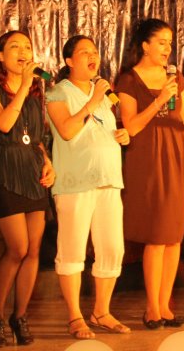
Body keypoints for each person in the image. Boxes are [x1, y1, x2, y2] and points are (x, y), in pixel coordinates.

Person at [46, 35, 131, 339]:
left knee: (112, 247)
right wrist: (93, 100)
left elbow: (103, 129)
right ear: (69, 61)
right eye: (84, 52)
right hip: (76, 181)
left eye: (95, 52)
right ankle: (75, 316)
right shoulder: (57, 92)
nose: (92, 56)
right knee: (72, 247)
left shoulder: (105, 95)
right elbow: (67, 131)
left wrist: (121, 136)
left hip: (108, 178)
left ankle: (101, 311)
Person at [0, 30, 55, 346]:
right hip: (3, 168)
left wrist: (47, 162)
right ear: (0, 55)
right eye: (15, 46)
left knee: (34, 249)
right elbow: (5, 124)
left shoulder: (35, 91)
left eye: (27, 47)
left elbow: (35, 137)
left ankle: (19, 316)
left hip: (31, 169)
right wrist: (22, 87)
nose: (23, 52)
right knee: (18, 247)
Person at [115, 18, 184, 329]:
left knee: (173, 235)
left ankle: (165, 306)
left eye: (170, 43)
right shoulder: (129, 79)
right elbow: (131, 126)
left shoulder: (175, 76)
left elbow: (181, 116)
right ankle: (151, 307)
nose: (167, 48)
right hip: (147, 155)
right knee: (157, 234)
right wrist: (159, 99)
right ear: (145, 45)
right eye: (161, 42)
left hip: (176, 152)